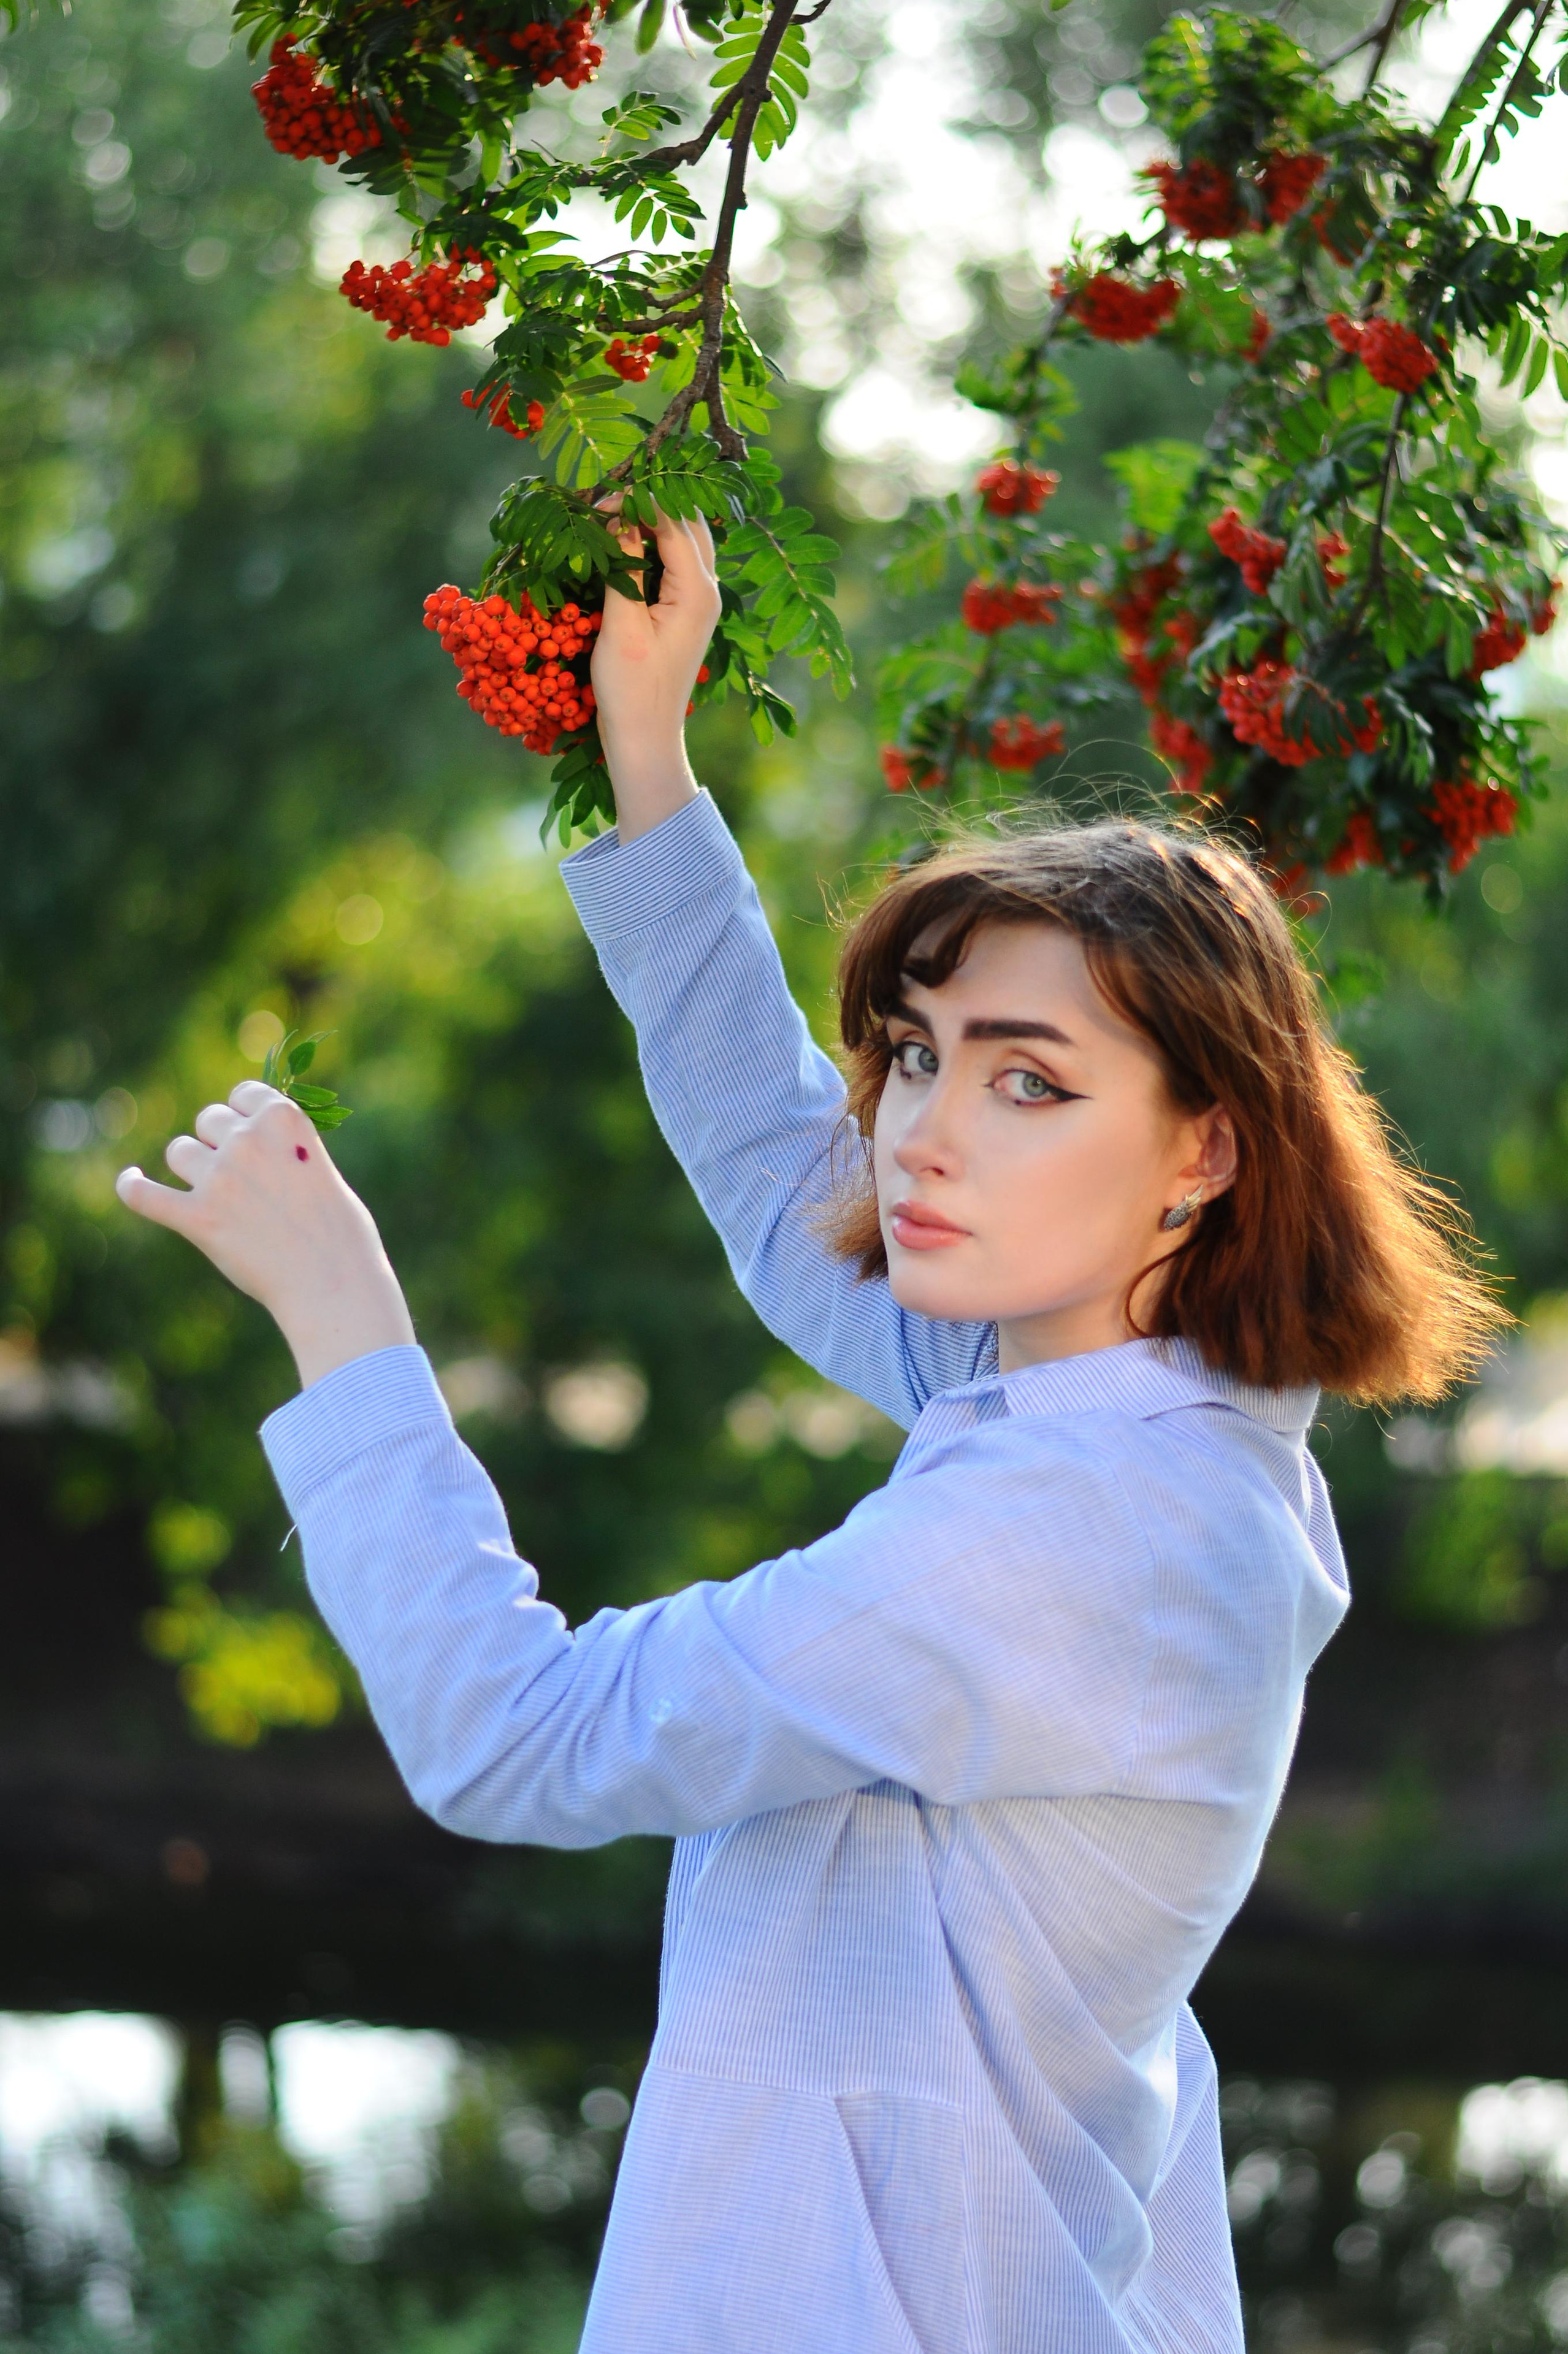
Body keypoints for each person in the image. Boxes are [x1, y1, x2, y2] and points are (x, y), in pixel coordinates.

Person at [117, 510, 1502, 2354]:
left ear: (1207, 1151)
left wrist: (340, 1312)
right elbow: (796, 1191)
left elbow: (512, 1738)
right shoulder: (1163, 1409)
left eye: (1030, 1082)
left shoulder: (1060, 1533)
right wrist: (648, 751)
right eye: (919, 1053)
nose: (923, 1130)